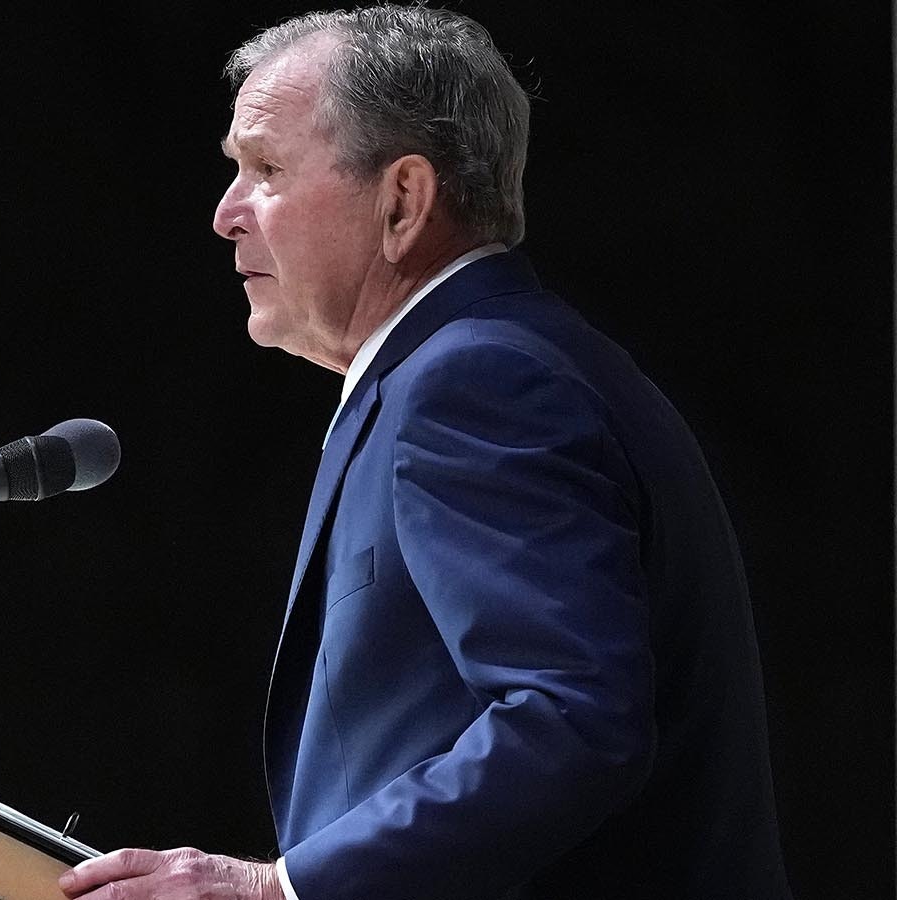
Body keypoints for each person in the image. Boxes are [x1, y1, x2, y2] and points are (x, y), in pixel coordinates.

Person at [58, 5, 793, 899]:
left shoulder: (478, 381)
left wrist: (279, 890)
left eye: (267, 169)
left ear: (402, 200)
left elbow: (567, 721)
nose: (225, 214)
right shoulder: (493, 366)